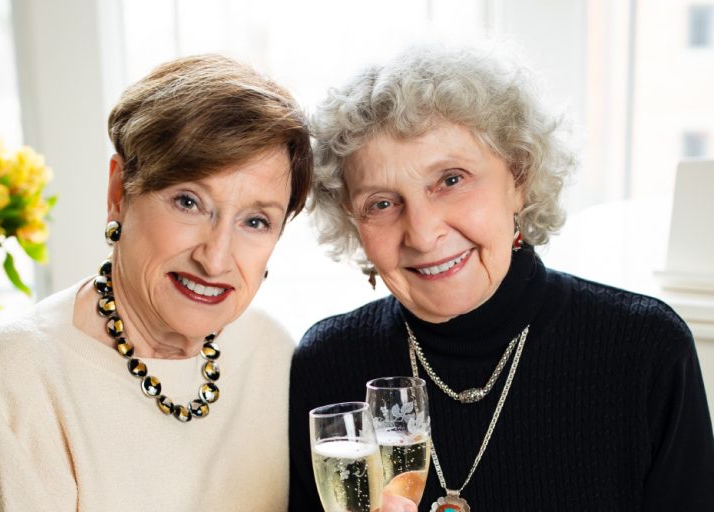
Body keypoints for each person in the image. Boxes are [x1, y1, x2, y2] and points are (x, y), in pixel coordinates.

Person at [289, 44, 714, 511]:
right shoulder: (327, 364)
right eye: (382, 203)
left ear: (519, 177)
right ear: (354, 222)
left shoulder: (644, 348)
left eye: (451, 180)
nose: (424, 233)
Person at [0, 54, 312, 511]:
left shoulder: (272, 353)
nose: (215, 258)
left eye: (255, 221)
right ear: (119, 193)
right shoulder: (16, 379)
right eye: (188, 201)